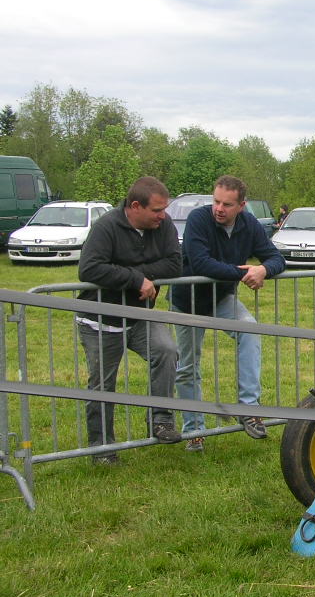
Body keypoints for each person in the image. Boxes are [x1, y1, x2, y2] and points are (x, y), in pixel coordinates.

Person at [170, 175, 286, 452]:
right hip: (188, 302)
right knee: (188, 367)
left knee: (250, 329)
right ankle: (193, 431)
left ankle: (248, 408)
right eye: (216, 201)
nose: (219, 208)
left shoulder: (250, 225)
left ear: (242, 205)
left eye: (227, 204)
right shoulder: (199, 219)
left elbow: (276, 257)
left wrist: (263, 270)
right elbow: (200, 262)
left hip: (222, 298)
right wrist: (243, 273)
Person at [77, 176, 182, 463]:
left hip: (140, 317)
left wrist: (136, 274)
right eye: (157, 210)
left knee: (166, 350)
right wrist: (136, 279)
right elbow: (89, 269)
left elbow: (175, 263)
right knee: (103, 385)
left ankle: (160, 420)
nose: (163, 216)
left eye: (164, 209)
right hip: (100, 320)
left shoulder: (164, 226)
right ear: (135, 206)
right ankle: (102, 449)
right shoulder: (106, 227)